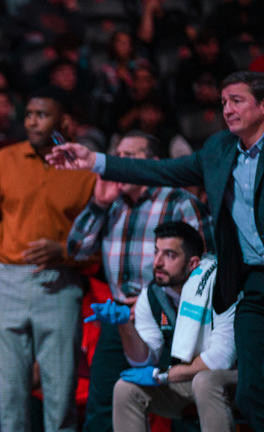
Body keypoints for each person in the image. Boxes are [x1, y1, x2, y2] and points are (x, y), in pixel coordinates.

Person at [46, 70, 264, 430]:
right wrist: (95, 162)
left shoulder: (178, 203)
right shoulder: (218, 149)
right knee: (251, 390)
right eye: (223, 102)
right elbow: (161, 170)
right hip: (243, 284)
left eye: (236, 101)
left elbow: (203, 262)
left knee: (222, 386)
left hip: (185, 311)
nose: (227, 110)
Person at [0, 86, 96, 432]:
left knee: (60, 398)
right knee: (9, 399)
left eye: (42, 115)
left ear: (64, 122)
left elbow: (99, 240)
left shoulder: (85, 170)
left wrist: (66, 252)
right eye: (29, 115)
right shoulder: (6, 160)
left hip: (59, 283)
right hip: (6, 283)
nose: (33, 122)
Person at [67, 133, 213, 432]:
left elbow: (208, 266)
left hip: (171, 315)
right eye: (117, 154)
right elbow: (76, 249)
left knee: (181, 405)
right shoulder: (113, 204)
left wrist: (153, 297)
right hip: (121, 318)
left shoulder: (179, 201)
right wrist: (97, 203)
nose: (119, 163)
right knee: (103, 406)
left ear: (154, 164)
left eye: (130, 156)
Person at [87, 222, 238, 431]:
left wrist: (163, 376)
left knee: (205, 381)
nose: (157, 262)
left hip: (234, 378)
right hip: (187, 379)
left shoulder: (220, 286)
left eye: (170, 255)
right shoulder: (152, 297)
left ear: (193, 263)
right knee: (126, 388)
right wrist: (125, 326)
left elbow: (221, 359)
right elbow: (144, 360)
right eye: (156, 252)